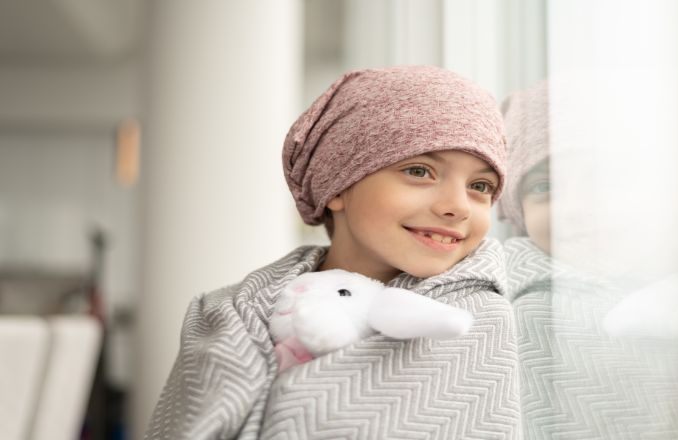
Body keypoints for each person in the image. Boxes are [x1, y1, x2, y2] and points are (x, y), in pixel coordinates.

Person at [145, 66, 521, 440]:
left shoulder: (477, 323)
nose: (458, 206)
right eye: (420, 171)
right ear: (338, 185)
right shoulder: (222, 315)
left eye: (481, 185)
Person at [499, 81, 678, 439]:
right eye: (544, 186)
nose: (577, 208)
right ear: (516, 208)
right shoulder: (528, 311)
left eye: (609, 177)